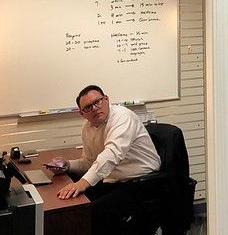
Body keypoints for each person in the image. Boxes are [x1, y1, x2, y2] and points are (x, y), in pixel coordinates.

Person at [53, 85, 161, 233]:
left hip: (142, 181)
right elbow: (90, 162)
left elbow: (112, 154)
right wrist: (67, 165)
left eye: (98, 102)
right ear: (82, 113)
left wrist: (83, 183)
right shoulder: (87, 127)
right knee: (74, 205)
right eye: (88, 107)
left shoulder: (122, 117)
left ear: (106, 99)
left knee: (95, 211)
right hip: (114, 180)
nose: (95, 108)